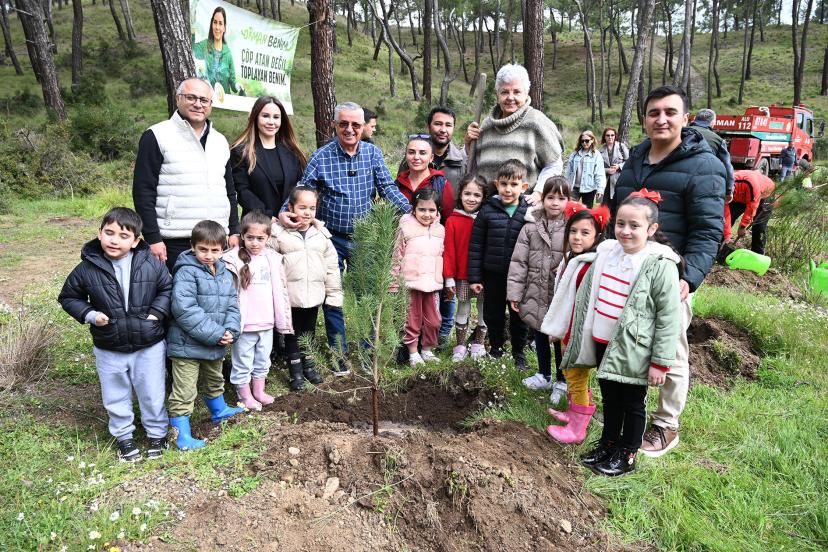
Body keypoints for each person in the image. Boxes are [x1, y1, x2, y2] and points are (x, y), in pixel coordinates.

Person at [612, 85, 726, 457]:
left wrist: (689, 277)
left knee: (670, 349)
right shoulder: (636, 158)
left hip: (669, 277)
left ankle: (666, 424)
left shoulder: (704, 165)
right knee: (629, 340)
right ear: (644, 119)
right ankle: (629, 410)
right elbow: (618, 212)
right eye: (654, 112)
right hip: (629, 270)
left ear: (685, 119)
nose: (661, 119)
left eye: (670, 112)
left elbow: (708, 230)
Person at [278, 102, 412, 375]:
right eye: (344, 124)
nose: (350, 129)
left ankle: (367, 352)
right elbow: (304, 188)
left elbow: (387, 187)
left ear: (363, 127)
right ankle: (339, 353)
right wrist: (283, 212)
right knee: (334, 297)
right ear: (335, 125)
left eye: (355, 124)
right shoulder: (322, 156)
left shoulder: (373, 154)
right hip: (331, 239)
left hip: (364, 237)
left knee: (366, 296)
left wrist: (413, 212)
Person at [561, 191, 682, 476]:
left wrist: (660, 362)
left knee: (632, 402)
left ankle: (627, 454)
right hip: (603, 341)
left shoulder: (659, 264)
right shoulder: (608, 253)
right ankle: (608, 444)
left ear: (651, 229)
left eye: (634, 225)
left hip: (634, 348)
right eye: (620, 224)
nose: (625, 231)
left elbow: (668, 317)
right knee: (610, 397)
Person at [58, 208, 172, 462]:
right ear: (99, 234)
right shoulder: (87, 268)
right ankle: (124, 436)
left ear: (135, 241)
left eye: (123, 236)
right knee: (115, 393)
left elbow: (167, 288)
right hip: (109, 344)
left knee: (152, 390)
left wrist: (156, 313)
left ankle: (157, 433)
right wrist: (90, 314)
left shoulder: (150, 264)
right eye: (109, 233)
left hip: (148, 344)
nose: (114, 240)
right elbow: (69, 296)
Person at [133, 78, 240, 272]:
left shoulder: (220, 141)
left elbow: (229, 191)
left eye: (204, 100)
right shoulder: (157, 135)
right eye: (191, 97)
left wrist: (234, 230)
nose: (198, 104)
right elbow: (143, 191)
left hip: (216, 239)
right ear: (178, 99)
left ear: (210, 104)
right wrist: (153, 237)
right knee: (178, 290)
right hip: (174, 239)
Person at [166, 220, 245, 451]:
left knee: (215, 379)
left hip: (215, 342)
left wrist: (231, 331)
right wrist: (217, 333)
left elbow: (232, 305)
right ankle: (181, 435)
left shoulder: (224, 272)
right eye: (203, 249)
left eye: (215, 250)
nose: (209, 255)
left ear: (223, 249)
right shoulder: (186, 271)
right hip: (187, 346)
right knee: (184, 389)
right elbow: (184, 309)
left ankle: (219, 410)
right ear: (193, 246)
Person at [541, 202, 608, 444]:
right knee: (573, 375)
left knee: (576, 375)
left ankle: (577, 429)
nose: (577, 237)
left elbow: (583, 305)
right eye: (573, 231)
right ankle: (574, 413)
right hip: (567, 328)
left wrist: (568, 331)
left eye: (585, 232)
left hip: (578, 331)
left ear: (597, 236)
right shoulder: (573, 259)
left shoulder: (590, 265)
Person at [270, 187, 343, 387]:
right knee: (292, 333)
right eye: (302, 207)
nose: (307, 212)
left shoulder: (321, 235)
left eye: (312, 208)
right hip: (290, 296)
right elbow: (269, 263)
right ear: (291, 208)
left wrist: (333, 295)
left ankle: (309, 366)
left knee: (309, 332)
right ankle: (296, 372)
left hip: (313, 295)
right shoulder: (279, 234)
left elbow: (332, 268)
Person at [222, 212, 294, 410]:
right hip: (244, 325)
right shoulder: (233, 259)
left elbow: (279, 291)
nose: (255, 243)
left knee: (262, 359)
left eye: (260, 238)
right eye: (250, 238)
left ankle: (259, 391)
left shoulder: (272, 258)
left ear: (268, 238)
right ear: (242, 236)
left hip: (266, 322)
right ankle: (245, 395)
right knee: (243, 361)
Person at [464, 64, 564, 204]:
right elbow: (474, 165)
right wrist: (468, 144)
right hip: (488, 207)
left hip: (524, 209)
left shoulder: (537, 122)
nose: (510, 97)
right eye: (505, 92)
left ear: (526, 93)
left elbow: (554, 164)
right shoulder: (486, 125)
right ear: (497, 94)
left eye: (517, 92)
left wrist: (538, 193)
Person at [507, 177, 569, 395]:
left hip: (559, 293)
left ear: (568, 200)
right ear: (542, 199)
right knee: (540, 332)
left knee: (559, 336)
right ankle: (544, 374)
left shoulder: (572, 227)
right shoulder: (530, 226)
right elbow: (519, 262)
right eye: (550, 197)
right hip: (535, 290)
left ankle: (562, 379)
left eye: (561, 198)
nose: (555, 203)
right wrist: (515, 293)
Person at [468, 159, 531, 369]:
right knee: (493, 313)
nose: (508, 189)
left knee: (519, 315)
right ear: (497, 184)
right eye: (504, 184)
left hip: (519, 276)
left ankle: (519, 352)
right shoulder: (487, 211)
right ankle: (496, 348)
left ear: (524, 187)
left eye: (514, 184)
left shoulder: (529, 213)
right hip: (492, 274)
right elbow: (476, 245)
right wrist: (475, 277)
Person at [391, 188, 446, 367]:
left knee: (434, 320)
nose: (427, 214)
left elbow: (442, 255)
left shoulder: (440, 230)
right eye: (422, 209)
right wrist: (393, 282)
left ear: (438, 211)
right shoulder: (406, 227)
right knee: (412, 320)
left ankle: (427, 350)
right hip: (410, 283)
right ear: (414, 209)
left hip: (432, 283)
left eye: (431, 210)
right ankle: (413, 353)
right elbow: (397, 255)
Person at [231, 96, 307, 220]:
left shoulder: (292, 151)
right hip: (257, 224)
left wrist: (289, 215)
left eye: (276, 117)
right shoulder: (241, 151)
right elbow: (243, 191)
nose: (271, 122)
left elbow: (300, 188)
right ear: (255, 117)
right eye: (265, 116)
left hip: (291, 222)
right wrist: (267, 216)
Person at [444, 174, 489, 361]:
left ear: (483, 197)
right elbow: (449, 251)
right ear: (460, 195)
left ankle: (479, 344)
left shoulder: (486, 219)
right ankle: (460, 346)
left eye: (477, 195)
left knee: (484, 308)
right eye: (467, 194)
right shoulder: (453, 220)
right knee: (463, 308)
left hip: (484, 275)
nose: (472, 198)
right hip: (462, 275)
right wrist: (449, 278)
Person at [399, 106, 468, 197]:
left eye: (448, 125)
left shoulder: (461, 161)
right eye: (438, 124)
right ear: (428, 127)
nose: (443, 130)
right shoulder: (413, 159)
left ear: (453, 128)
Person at [395, 134, 455, 222]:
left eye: (422, 153)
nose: (416, 157)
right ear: (406, 155)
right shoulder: (397, 184)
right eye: (411, 152)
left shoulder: (441, 184)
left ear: (431, 158)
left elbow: (449, 220)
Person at [723, 170, 776, 255]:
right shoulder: (722, 190)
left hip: (764, 194)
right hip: (740, 195)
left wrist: (742, 227)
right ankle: (720, 247)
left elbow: (752, 207)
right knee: (730, 218)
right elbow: (726, 215)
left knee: (759, 227)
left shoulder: (750, 183)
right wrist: (727, 235)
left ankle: (757, 254)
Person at [192, 6, 241, 96]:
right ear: (212, 25)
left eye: (220, 23)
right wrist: (192, 30)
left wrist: (237, 86)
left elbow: (232, 81)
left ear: (224, 28)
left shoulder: (228, 53)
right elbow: (191, 50)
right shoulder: (204, 46)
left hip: (225, 102)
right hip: (207, 99)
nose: (217, 27)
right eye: (215, 22)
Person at [689, 109, 735, 199]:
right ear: (713, 122)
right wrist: (729, 190)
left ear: (695, 119)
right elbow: (727, 166)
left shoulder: (679, 133)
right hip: (702, 185)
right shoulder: (718, 140)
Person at [566, 130, 606, 208]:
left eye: (587, 141)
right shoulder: (575, 154)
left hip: (589, 189)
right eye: (582, 141)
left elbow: (600, 173)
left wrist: (600, 190)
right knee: (570, 209)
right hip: (574, 187)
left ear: (592, 140)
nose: (584, 143)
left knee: (587, 211)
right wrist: (565, 184)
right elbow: (568, 171)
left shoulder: (596, 155)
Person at [598, 128, 629, 205]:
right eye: (608, 135)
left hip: (619, 181)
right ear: (604, 137)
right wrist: (606, 170)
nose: (610, 137)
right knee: (604, 205)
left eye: (612, 135)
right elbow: (596, 167)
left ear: (615, 136)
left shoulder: (621, 147)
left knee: (618, 204)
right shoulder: (600, 150)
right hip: (605, 182)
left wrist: (619, 166)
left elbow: (629, 161)